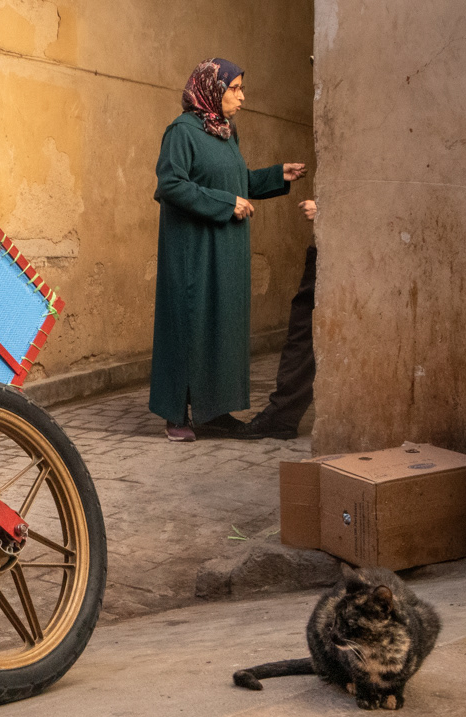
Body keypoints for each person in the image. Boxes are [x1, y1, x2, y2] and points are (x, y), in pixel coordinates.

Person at [148, 58, 306, 442]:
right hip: (194, 251)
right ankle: (177, 415)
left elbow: (235, 181)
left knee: (220, 325)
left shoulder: (225, 132)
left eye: (240, 89)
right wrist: (225, 204)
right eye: (234, 89)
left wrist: (274, 176)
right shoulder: (182, 132)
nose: (242, 97)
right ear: (211, 89)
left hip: (226, 249)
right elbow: (171, 185)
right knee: (191, 324)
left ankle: (214, 411)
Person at [239, 198, 318, 439]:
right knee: (305, 332)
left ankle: (282, 415)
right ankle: (282, 415)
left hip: (343, 249)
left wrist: (328, 211)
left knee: (305, 333)